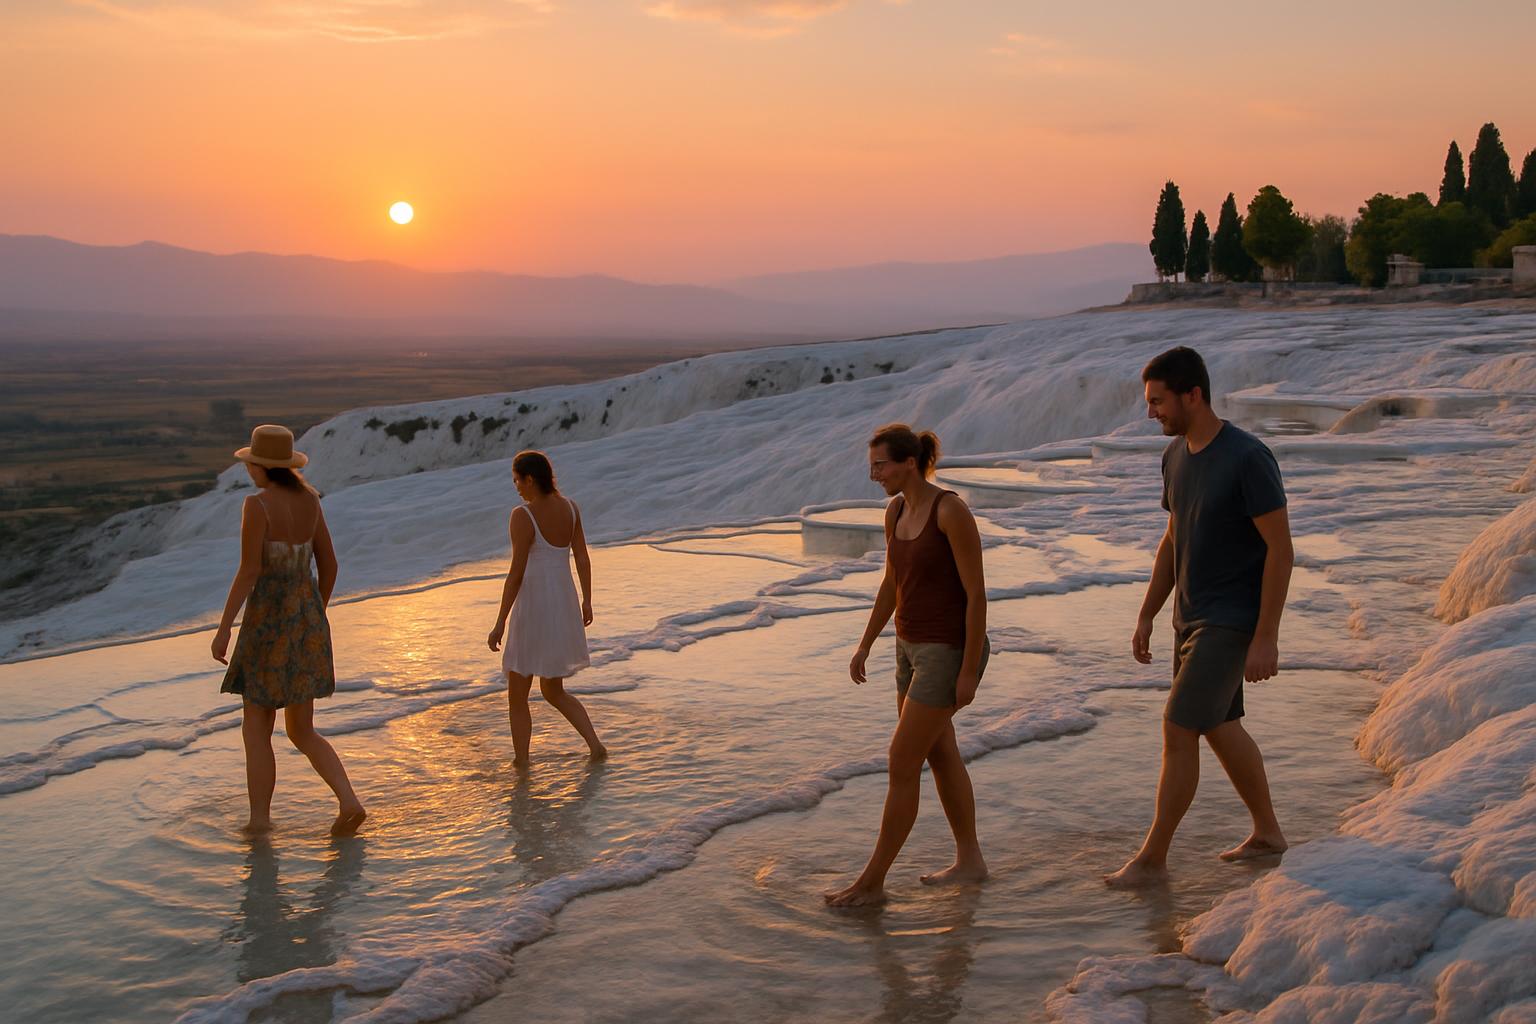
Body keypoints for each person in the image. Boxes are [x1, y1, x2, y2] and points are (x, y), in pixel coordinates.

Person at [1105, 347, 1293, 888]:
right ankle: (1268, 833)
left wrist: (1266, 638)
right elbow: (1172, 538)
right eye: (1149, 403)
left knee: (1178, 725)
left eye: (1158, 402)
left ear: (1193, 395)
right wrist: (1147, 613)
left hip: (1230, 620)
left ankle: (1152, 859)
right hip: (1188, 619)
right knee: (1218, 724)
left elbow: (1280, 550)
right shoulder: (1176, 457)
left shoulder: (1247, 457)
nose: (1150, 414)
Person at [825, 424, 990, 908]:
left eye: (881, 465)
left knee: (901, 761)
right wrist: (865, 643)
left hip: (947, 651)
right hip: (908, 647)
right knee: (939, 754)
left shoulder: (950, 512)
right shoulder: (896, 510)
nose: (874, 475)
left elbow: (978, 594)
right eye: (872, 465)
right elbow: (892, 584)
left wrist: (967, 670)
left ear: (909, 463)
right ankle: (971, 861)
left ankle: (872, 882)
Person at [213, 424, 366, 837]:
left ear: (262, 466)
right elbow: (330, 566)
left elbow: (249, 570)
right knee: (302, 730)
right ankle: (349, 801)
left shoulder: (257, 506)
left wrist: (224, 627)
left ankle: (259, 821)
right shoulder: (311, 502)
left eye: (251, 465)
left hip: (267, 628)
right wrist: (313, 612)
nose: (249, 472)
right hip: (308, 623)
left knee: (257, 729)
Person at [487, 450, 605, 766]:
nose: (516, 487)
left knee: (517, 695)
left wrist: (500, 621)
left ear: (530, 478)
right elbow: (581, 556)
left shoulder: (522, 516)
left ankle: (522, 763)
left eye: (517, 480)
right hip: (563, 603)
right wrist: (587, 598)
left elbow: (516, 574)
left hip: (534, 606)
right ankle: (595, 746)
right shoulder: (571, 509)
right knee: (553, 690)